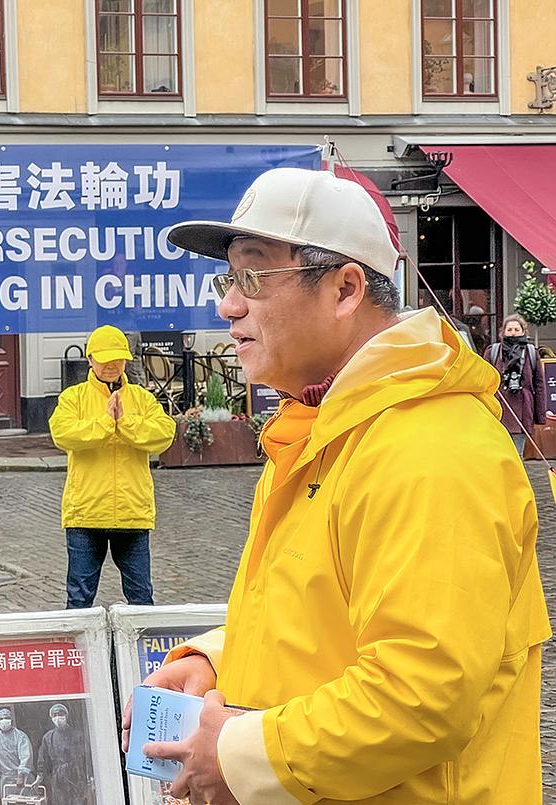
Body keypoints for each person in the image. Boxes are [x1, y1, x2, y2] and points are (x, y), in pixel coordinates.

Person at [121, 168, 550, 805]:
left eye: (254, 277)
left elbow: (420, 694)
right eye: (228, 278)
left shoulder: (430, 446)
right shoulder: (325, 426)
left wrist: (236, 752)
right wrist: (219, 659)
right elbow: (320, 616)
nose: (228, 305)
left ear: (346, 288)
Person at [49, 325, 176, 609]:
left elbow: (165, 433)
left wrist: (125, 423)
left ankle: (142, 653)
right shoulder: (74, 398)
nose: (111, 366)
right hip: (86, 513)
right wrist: (107, 424)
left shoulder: (142, 398)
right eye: (105, 359)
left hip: (132, 513)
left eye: (117, 360)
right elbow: (63, 434)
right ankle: (79, 654)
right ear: (90, 359)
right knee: (79, 599)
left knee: (141, 599)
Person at [483, 313, 547, 457]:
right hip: (499, 410)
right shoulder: (492, 352)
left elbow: (539, 385)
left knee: (517, 455)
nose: (513, 333)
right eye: (510, 330)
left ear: (524, 331)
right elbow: (483, 381)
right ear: (503, 332)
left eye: (517, 330)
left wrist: (539, 415)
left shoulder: (531, 352)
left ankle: (514, 479)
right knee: (499, 453)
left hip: (523, 410)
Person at [36, 703, 88, 805]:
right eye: (54, 715)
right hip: (58, 778)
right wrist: (39, 777)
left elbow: (86, 758)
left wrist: (89, 776)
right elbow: (43, 759)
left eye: (60, 714)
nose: (58, 718)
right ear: (51, 718)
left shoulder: (77, 736)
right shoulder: (48, 738)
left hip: (76, 776)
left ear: (66, 716)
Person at [0, 707, 32, 795]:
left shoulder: (20, 736)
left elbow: (26, 756)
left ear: (11, 720)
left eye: (6, 718)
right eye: (0, 719)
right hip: (6, 779)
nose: (3, 721)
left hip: (22, 778)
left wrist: (21, 775)